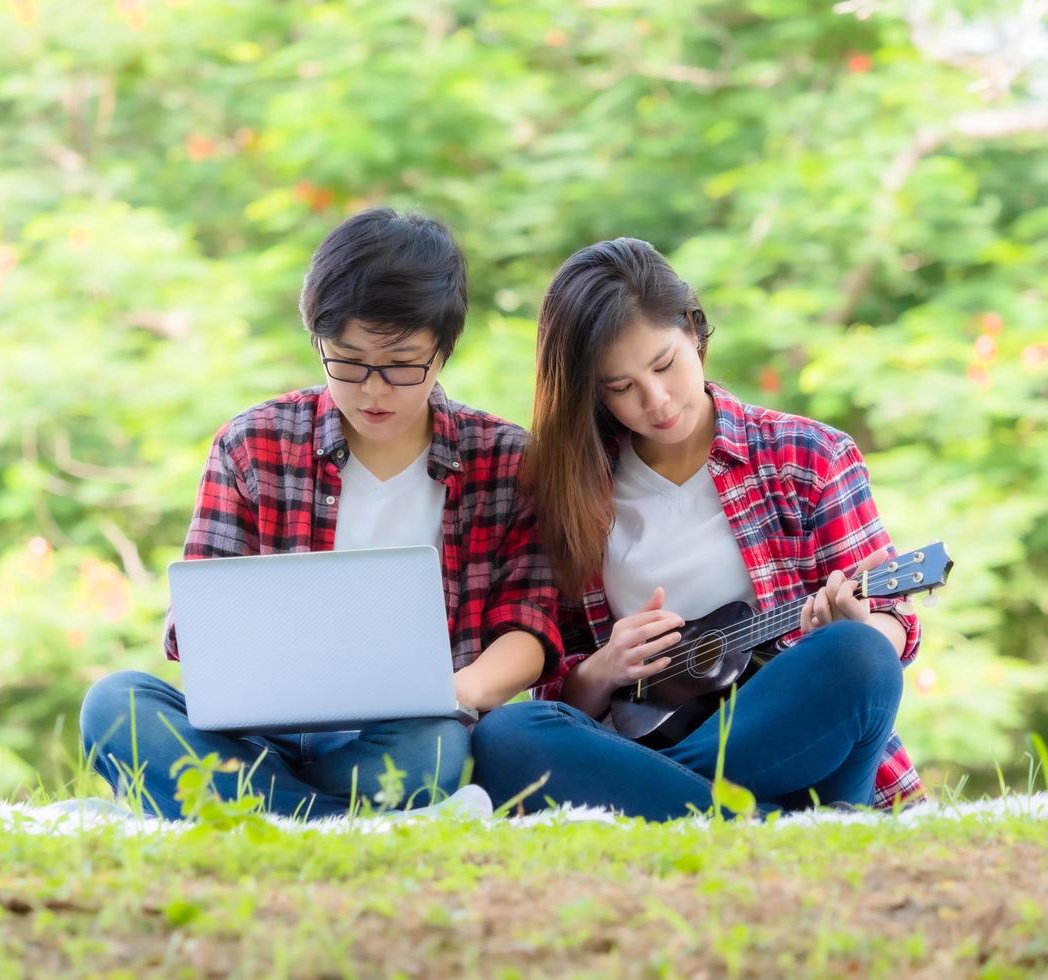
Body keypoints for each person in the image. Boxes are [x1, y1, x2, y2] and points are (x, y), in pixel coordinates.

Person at [80, 208, 561, 821]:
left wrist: (451, 693)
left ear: (444, 351)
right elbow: (196, 629)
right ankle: (331, 819)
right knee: (112, 705)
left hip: (399, 735)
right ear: (317, 342)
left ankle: (246, 812)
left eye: (401, 365)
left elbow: (530, 627)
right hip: (251, 738)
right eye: (348, 362)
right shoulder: (252, 443)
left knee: (435, 747)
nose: (373, 390)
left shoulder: (506, 460)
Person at [472, 238, 924, 820]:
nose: (655, 401)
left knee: (859, 654)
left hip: (796, 749)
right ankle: (754, 821)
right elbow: (563, 696)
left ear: (695, 332)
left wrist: (858, 624)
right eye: (620, 387)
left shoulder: (807, 454)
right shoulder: (569, 490)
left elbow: (895, 626)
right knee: (507, 733)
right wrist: (601, 669)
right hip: (636, 751)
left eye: (664, 365)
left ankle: (684, 807)